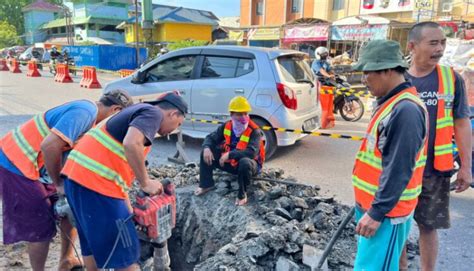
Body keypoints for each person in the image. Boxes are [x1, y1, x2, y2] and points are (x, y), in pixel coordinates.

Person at [0, 90, 133, 271]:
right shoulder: (85, 112)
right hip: (17, 162)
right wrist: (59, 184)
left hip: (40, 166)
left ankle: (66, 260)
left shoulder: (92, 123)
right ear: (116, 110)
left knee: (71, 207)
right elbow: (49, 146)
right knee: (40, 226)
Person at [61, 92, 188, 270]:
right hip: (97, 185)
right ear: (173, 114)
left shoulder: (132, 114)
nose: (174, 130)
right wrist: (146, 182)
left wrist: (126, 205)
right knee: (126, 255)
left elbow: (120, 169)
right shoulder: (153, 113)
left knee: (92, 245)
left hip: (75, 180)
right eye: (179, 124)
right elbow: (131, 143)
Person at [399, 22, 472, 271]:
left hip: (435, 171)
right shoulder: (397, 78)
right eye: (433, 43)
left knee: (428, 227)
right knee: (398, 225)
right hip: (402, 170)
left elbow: (462, 124)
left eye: (443, 42)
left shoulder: (451, 79)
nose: (440, 48)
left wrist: (466, 167)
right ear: (412, 46)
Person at [351, 40, 428, 270]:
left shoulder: (405, 110)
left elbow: (399, 169)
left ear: (387, 70)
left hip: (386, 214)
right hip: (375, 207)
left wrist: (376, 213)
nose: (363, 80)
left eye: (367, 73)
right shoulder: (389, 102)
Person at [194, 96, 265, 206]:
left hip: (249, 166)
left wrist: (230, 155)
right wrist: (207, 147)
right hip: (231, 163)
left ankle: (242, 194)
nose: (243, 117)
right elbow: (211, 138)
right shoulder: (227, 126)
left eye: (245, 114)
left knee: (245, 162)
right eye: (239, 114)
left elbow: (251, 153)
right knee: (206, 152)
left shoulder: (255, 131)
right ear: (231, 115)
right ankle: (206, 184)